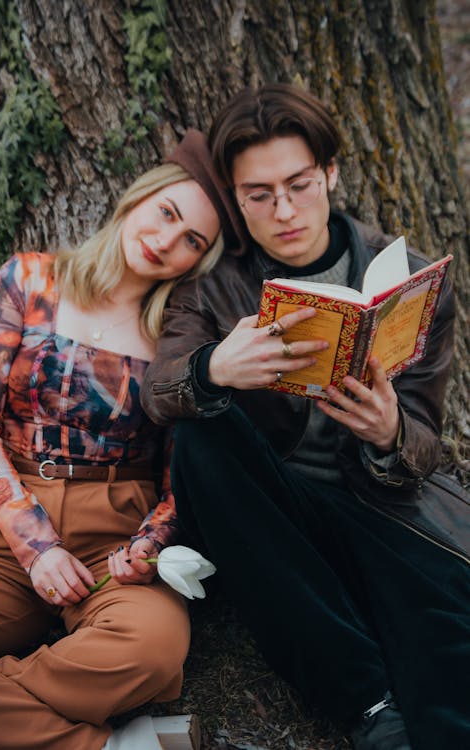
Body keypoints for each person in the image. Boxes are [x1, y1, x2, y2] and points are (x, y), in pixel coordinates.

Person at [140, 84, 470, 750]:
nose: (284, 210)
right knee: (202, 436)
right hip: (275, 511)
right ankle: (368, 707)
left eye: (299, 184)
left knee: (447, 648)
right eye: (259, 195)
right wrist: (213, 369)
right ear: (234, 200)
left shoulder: (408, 278)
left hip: (380, 508)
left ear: (331, 173)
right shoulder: (212, 287)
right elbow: (160, 391)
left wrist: (390, 435)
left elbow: (426, 438)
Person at [0, 129, 244, 750]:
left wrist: (149, 545)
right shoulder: (29, 279)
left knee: (154, 649)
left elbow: (183, 477)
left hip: (113, 541)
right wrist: (36, 547)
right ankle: (112, 745)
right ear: (138, 199)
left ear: (197, 261)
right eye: (166, 214)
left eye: (191, 242)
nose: (165, 241)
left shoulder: (182, 339)